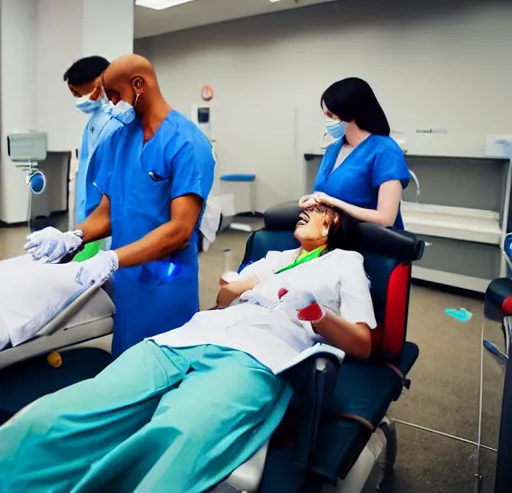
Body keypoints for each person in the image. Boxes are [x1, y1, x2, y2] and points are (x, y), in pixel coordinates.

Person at [0, 204, 376, 493]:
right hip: (191, 336)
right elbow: (225, 296)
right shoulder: (275, 258)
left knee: (181, 433)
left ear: (330, 225)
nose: (301, 215)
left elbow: (362, 343)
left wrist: (317, 314)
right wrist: (239, 285)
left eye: (312, 213)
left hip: (260, 354)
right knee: (67, 410)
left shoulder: (346, 263)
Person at [24, 55, 215, 357]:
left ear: (139, 84)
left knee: (164, 370)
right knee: (125, 363)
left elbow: (180, 230)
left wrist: (112, 259)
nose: (111, 104)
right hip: (128, 282)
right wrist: (73, 236)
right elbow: (107, 211)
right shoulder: (118, 139)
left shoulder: (187, 143)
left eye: (114, 94)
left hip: (166, 285)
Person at [301, 77, 411, 229]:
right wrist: (312, 201)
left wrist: (332, 202)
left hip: (371, 247)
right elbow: (323, 195)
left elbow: (385, 220)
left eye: (331, 116)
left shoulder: (385, 150)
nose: (329, 122)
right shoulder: (334, 149)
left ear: (350, 112)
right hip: (334, 243)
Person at [64, 56, 123, 260]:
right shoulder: (94, 122)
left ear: (99, 81)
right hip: (89, 213)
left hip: (106, 215)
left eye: (78, 92)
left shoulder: (117, 121)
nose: (79, 98)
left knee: (104, 270)